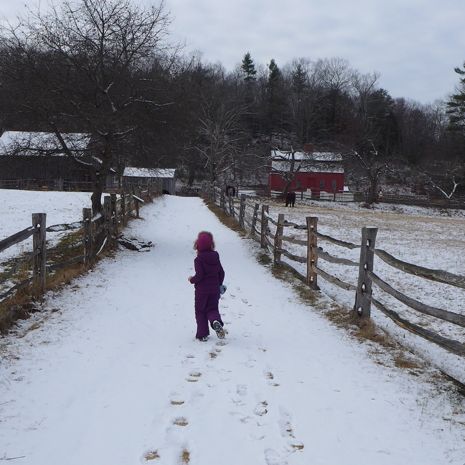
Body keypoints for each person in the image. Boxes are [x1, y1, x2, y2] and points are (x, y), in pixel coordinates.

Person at [188, 231, 225, 341]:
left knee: (200, 311)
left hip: (202, 292)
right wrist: (219, 284)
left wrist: (192, 280)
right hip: (214, 290)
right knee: (212, 308)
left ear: (197, 246)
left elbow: (200, 276)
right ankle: (215, 321)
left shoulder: (198, 260)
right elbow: (221, 272)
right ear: (211, 245)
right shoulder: (216, 256)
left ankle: (202, 334)